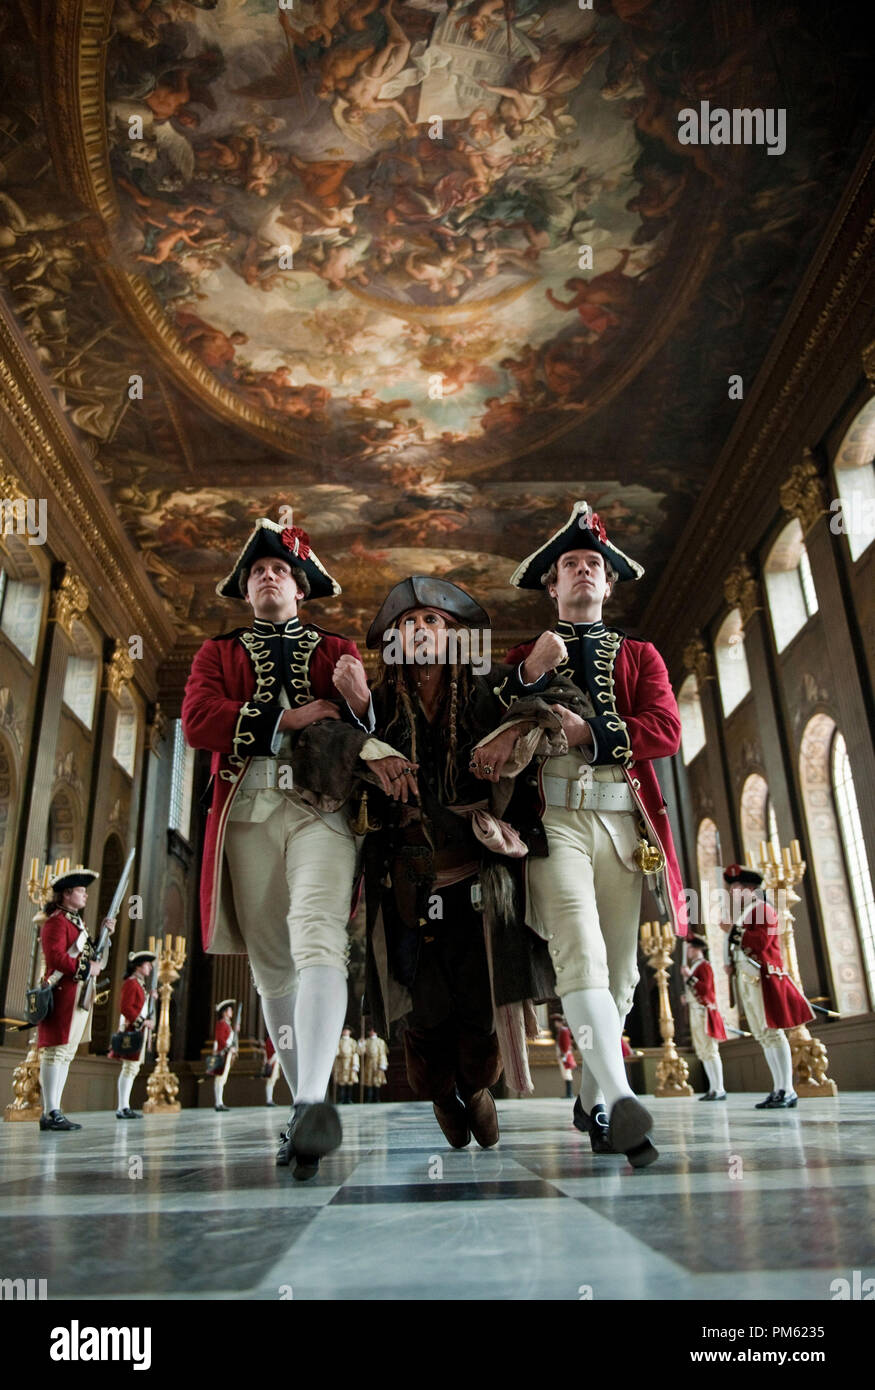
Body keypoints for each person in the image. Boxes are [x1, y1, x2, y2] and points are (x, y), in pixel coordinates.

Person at [182, 517, 403, 1179]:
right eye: (257, 573)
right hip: (247, 809)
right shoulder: (215, 654)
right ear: (245, 593)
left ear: (300, 588)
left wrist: (362, 707)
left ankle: (311, 1101)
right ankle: (302, 1089)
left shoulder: (335, 647)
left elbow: (366, 729)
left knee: (317, 938)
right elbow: (197, 721)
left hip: (322, 806)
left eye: (280, 570)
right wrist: (285, 719)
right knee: (272, 967)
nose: (268, 577)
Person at [474, 500, 688, 1167]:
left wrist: (590, 734)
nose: (583, 572)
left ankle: (589, 1097)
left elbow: (665, 729)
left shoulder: (641, 654)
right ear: (552, 583)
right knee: (580, 953)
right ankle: (620, 1101)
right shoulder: (520, 656)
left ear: (608, 582)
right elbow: (481, 725)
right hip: (553, 824)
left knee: (621, 976)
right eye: (570, 564)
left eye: (593, 564)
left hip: (623, 825)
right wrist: (532, 673)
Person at [362, 577, 575, 1149]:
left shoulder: (488, 689)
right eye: (408, 624)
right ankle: (437, 1093)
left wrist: (526, 686)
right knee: (423, 1007)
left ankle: (479, 1088)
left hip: (479, 877)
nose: (420, 631)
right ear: (395, 643)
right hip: (408, 877)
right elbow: (339, 749)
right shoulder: (379, 705)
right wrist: (362, 725)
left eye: (433, 622)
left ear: (455, 638)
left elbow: (552, 704)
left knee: (478, 1004)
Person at [721, 863, 814, 1108]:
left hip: (764, 977)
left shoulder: (762, 909)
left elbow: (760, 942)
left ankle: (787, 1089)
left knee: (773, 1033)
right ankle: (777, 1088)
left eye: (737, 887)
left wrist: (733, 931)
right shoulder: (747, 912)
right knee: (763, 1036)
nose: (733, 892)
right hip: (748, 978)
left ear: (750, 888)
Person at [36, 868, 116, 1131]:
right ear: (67, 894)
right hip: (61, 993)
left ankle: (55, 1109)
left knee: (67, 1053)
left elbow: (92, 955)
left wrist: (106, 934)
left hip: (77, 995)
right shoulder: (55, 922)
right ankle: (50, 1111)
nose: (85, 895)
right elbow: (56, 958)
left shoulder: (76, 922)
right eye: (81, 891)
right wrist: (86, 969)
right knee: (54, 1052)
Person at [110, 949, 157, 1119]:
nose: (150, 968)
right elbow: (126, 1008)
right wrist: (142, 1022)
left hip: (138, 1030)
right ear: (138, 966)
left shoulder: (139, 984)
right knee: (129, 1068)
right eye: (147, 964)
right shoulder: (131, 983)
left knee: (132, 1069)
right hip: (132, 1030)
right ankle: (123, 1107)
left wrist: (150, 996)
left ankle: (125, 1106)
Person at [681, 935, 727, 1100]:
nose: (689, 952)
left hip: (704, 1012)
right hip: (696, 1010)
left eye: (691, 949)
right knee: (703, 1051)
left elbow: (706, 990)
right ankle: (712, 1087)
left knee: (710, 1050)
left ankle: (719, 1088)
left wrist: (690, 978)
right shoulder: (695, 967)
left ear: (697, 949)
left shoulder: (704, 966)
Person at [212, 1000, 238, 1111]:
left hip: (226, 1053)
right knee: (219, 1079)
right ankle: (218, 1103)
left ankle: (220, 1102)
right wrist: (229, 1048)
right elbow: (220, 1039)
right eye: (229, 1010)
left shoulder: (227, 1024)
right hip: (223, 1053)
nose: (231, 1012)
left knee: (222, 1079)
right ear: (224, 1012)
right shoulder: (222, 1024)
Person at [360, 1027, 389, 1101]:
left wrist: (382, 1063)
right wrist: (361, 1044)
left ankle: (377, 1098)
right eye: (371, 1031)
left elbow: (382, 1053)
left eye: (374, 1031)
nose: (372, 1032)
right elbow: (361, 1052)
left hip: (377, 1063)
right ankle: (369, 1099)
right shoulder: (366, 1041)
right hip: (369, 1063)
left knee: (377, 1081)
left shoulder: (380, 1041)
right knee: (369, 1081)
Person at [333, 1026, 359, 1103]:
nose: (345, 1032)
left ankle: (349, 1099)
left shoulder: (352, 1042)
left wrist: (355, 1064)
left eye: (347, 1031)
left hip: (350, 1063)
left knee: (349, 1082)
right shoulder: (339, 1041)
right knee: (341, 1083)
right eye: (344, 1031)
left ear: (350, 1032)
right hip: (341, 1063)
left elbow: (356, 1052)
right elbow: (336, 1053)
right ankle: (341, 1099)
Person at [552, 1013, 576, 1099]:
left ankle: (569, 1093)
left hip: (564, 1056)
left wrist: (564, 1054)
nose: (555, 1023)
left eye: (557, 1021)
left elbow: (566, 1044)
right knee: (565, 1074)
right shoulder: (561, 1030)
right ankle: (568, 1093)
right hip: (563, 1055)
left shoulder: (564, 1031)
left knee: (567, 1074)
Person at [263, 1034, 280, 1106]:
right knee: (270, 1081)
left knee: (272, 1081)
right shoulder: (271, 1039)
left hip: (272, 1061)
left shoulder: (270, 1039)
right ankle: (269, 1100)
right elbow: (272, 1051)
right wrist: (271, 1061)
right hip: (273, 1062)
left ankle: (270, 1099)